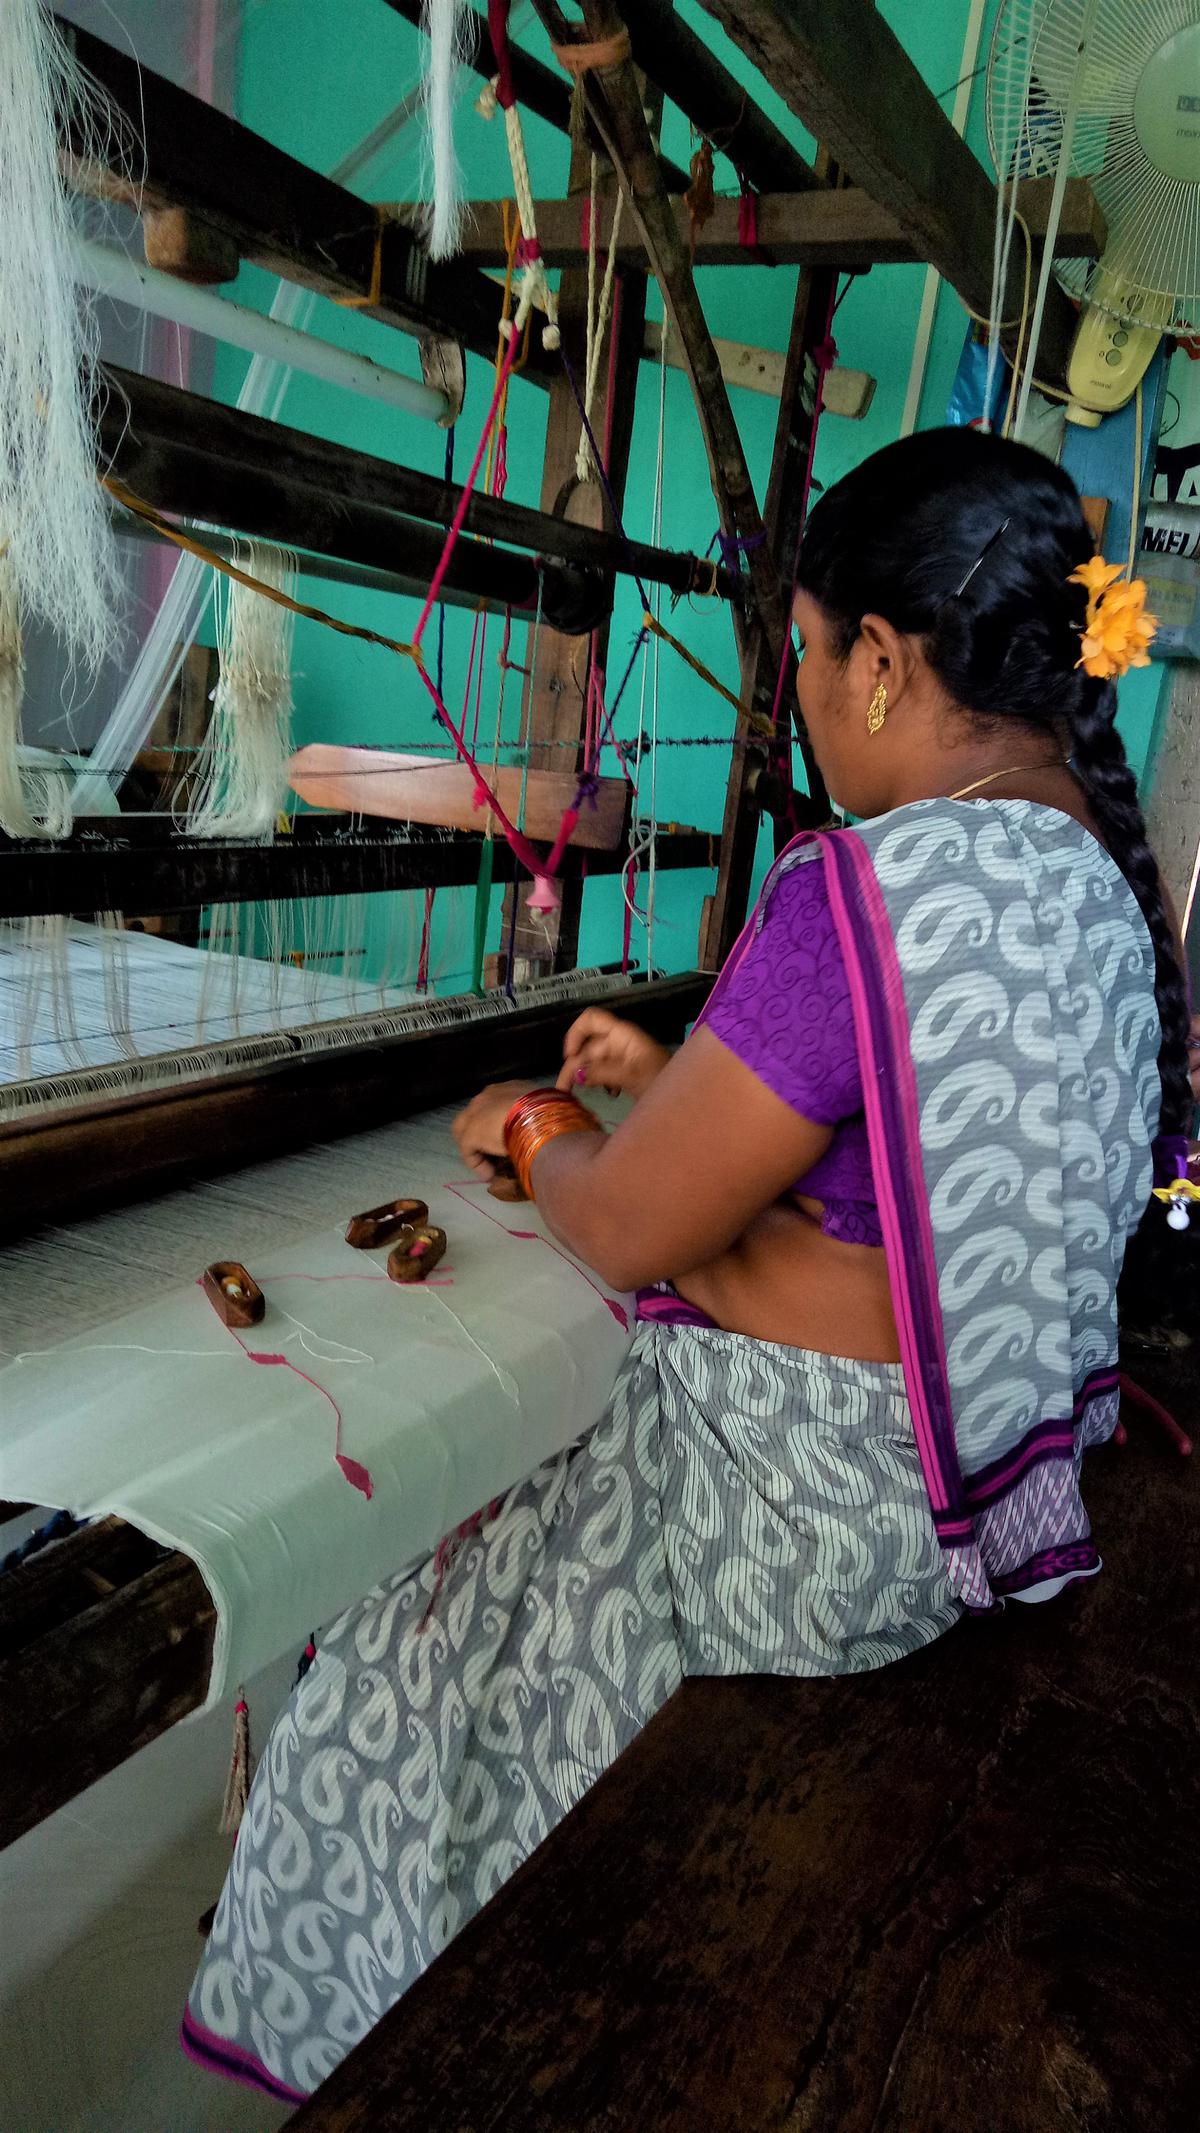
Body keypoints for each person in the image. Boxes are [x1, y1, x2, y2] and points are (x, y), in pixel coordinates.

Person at [183, 428, 1193, 2105]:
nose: (797, 689)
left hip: (808, 1536)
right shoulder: (1089, 884)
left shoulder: (866, 890)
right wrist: (683, 1096)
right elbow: (923, 1182)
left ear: (879, 662)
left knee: (418, 1609)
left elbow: (624, 1227)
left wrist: (533, 1135)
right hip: (973, 1513)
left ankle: (406, 2039)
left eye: (802, 651)